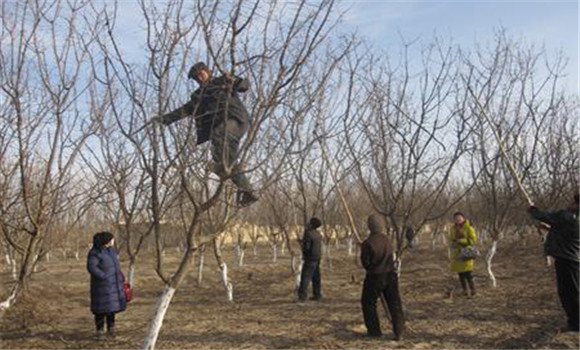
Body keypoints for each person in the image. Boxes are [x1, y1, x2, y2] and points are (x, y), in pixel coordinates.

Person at [153, 62, 258, 207]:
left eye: (201, 74)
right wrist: (164, 119)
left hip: (236, 120)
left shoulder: (221, 81)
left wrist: (234, 80)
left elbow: (244, 85)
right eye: (196, 78)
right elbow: (185, 110)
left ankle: (221, 168)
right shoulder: (198, 96)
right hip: (225, 130)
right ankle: (248, 192)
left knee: (218, 135)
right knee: (226, 161)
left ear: (207, 71)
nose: (200, 78)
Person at [528, 194, 579, 332]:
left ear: (576, 203)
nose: (569, 203)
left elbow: (544, 216)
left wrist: (532, 209)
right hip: (572, 259)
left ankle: (575, 324)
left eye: (572, 201)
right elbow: (567, 232)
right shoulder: (573, 218)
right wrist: (550, 228)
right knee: (571, 292)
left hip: (567, 260)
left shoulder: (568, 215)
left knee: (569, 293)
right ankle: (574, 323)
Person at [360, 214, 405, 340]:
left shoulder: (368, 243)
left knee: (368, 303)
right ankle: (399, 331)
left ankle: (374, 331)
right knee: (395, 303)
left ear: (370, 226)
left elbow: (366, 263)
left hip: (375, 276)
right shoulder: (387, 240)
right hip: (391, 275)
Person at [87, 232, 127, 339]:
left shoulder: (111, 251)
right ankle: (100, 331)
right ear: (106, 241)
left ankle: (111, 329)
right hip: (101, 286)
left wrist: (121, 276)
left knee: (111, 309)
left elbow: (116, 266)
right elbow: (92, 267)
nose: (113, 241)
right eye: (112, 239)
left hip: (114, 285)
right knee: (100, 310)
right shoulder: (95, 252)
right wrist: (103, 276)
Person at [448, 211, 477, 297]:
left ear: (463, 218)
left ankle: (472, 290)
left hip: (466, 253)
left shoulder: (469, 228)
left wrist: (461, 241)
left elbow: (473, 240)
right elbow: (450, 239)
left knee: (468, 273)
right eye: (456, 219)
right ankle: (464, 290)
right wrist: (452, 243)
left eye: (459, 218)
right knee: (460, 274)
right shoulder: (453, 229)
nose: (458, 220)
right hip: (457, 253)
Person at [297, 217, 323, 301]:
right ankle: (317, 294)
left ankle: (302, 296)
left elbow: (307, 247)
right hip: (317, 258)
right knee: (316, 278)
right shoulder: (318, 234)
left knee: (305, 277)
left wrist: (302, 246)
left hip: (310, 259)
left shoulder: (308, 233)